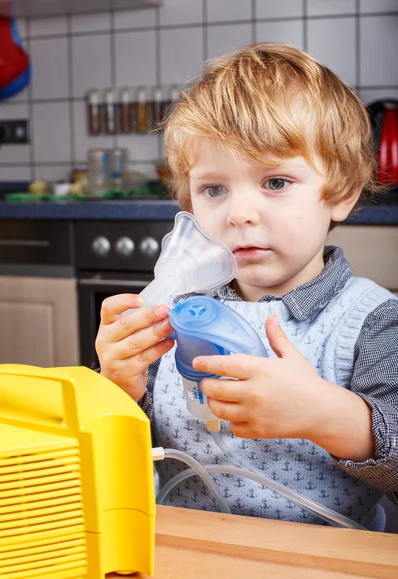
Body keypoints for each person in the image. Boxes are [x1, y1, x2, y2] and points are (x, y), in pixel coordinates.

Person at [95, 42, 398, 528]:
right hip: (187, 564)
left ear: (340, 193)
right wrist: (115, 388)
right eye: (214, 189)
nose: (238, 214)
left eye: (275, 182)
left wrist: (329, 415)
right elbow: (116, 454)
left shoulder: (372, 321)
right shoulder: (174, 314)